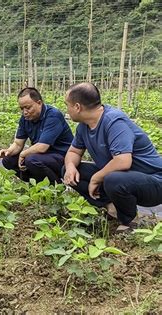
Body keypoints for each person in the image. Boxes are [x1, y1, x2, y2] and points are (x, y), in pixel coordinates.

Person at [62, 83, 162, 233]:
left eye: (67, 105)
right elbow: (73, 152)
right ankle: (112, 207)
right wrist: (70, 167)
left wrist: (96, 178)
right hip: (124, 178)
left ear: (77, 107)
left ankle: (129, 221)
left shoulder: (114, 122)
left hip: (154, 181)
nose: (66, 109)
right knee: (71, 170)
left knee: (112, 178)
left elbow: (123, 161)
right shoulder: (84, 126)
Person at [0, 87, 73, 183]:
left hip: (62, 157)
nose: (24, 112)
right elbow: (18, 144)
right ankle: (36, 183)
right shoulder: (25, 119)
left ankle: (56, 184)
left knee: (31, 159)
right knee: (8, 160)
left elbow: (42, 147)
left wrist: (23, 154)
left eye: (28, 107)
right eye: (22, 108)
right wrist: (8, 151)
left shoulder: (53, 116)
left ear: (39, 103)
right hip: (41, 156)